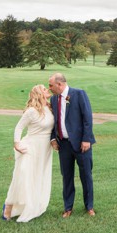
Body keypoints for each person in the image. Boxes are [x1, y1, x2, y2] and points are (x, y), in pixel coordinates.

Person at [2, 85, 54, 222]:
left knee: (38, 176)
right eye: (44, 89)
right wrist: (16, 143)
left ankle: (33, 205)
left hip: (45, 149)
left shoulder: (49, 108)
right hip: (30, 148)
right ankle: (8, 206)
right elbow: (19, 127)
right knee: (23, 176)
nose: (47, 90)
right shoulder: (31, 111)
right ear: (38, 93)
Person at [48, 72, 95, 217]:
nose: (49, 88)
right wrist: (53, 139)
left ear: (60, 84)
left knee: (86, 176)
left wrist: (86, 139)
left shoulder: (79, 94)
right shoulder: (53, 99)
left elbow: (87, 118)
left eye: (51, 85)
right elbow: (51, 121)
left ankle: (89, 207)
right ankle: (68, 208)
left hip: (82, 144)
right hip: (64, 145)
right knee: (66, 176)